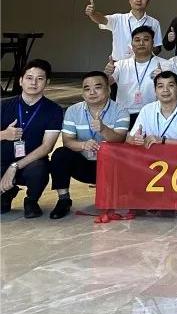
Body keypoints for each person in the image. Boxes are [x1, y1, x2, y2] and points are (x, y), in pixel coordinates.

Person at [48, 71, 129, 219]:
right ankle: (63, 200)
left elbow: (120, 139)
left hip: (111, 167)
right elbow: (67, 141)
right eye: (87, 88)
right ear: (82, 92)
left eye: (97, 87)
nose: (92, 92)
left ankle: (117, 195)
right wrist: (83, 145)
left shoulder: (121, 110)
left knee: (125, 156)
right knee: (60, 154)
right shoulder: (73, 111)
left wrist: (103, 129)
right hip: (84, 164)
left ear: (108, 89)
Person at [127, 71, 177, 216]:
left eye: (170, 85)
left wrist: (163, 141)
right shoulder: (147, 109)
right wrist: (136, 139)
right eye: (160, 86)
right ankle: (153, 198)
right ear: (155, 90)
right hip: (153, 161)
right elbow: (129, 138)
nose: (165, 90)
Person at [107, 26, 170, 125]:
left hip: (153, 114)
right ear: (132, 45)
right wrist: (107, 74)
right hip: (124, 114)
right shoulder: (120, 64)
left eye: (146, 39)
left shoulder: (165, 65)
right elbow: (106, 83)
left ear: (153, 43)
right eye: (137, 40)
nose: (141, 43)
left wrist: (163, 78)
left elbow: (172, 90)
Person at [84, 0, 163, 59]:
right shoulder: (118, 18)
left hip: (143, 65)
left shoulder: (154, 23)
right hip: (118, 64)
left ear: (148, 1)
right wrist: (93, 13)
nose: (139, 0)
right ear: (130, 0)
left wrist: (144, 56)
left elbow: (157, 47)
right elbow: (102, 20)